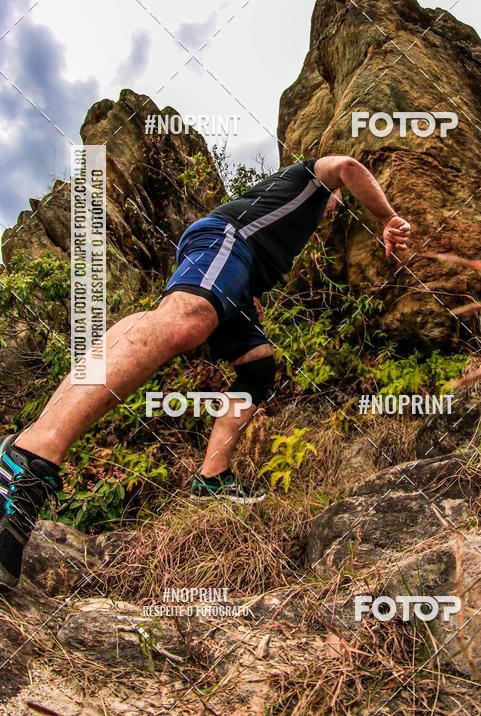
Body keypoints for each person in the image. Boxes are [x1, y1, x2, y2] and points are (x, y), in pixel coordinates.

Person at [0, 156, 410, 588]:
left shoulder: (298, 220)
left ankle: (212, 478)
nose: (334, 211)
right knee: (186, 318)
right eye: (337, 203)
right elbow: (347, 165)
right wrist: (387, 217)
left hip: (241, 272)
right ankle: (27, 458)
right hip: (226, 240)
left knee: (258, 367)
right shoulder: (310, 180)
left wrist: (246, 290)